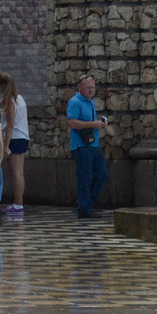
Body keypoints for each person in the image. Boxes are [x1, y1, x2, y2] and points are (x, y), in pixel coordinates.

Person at [66, 74, 108, 218]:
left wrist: (99, 124)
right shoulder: (75, 102)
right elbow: (71, 122)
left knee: (102, 174)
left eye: (93, 87)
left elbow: (88, 122)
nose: (90, 90)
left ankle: (87, 203)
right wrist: (92, 124)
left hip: (93, 144)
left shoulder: (90, 102)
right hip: (81, 146)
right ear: (80, 87)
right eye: (88, 87)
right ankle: (84, 208)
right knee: (85, 177)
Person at [0, 71, 28, 216]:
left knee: (15, 173)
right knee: (19, 172)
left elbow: (10, 125)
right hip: (23, 137)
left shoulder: (10, 102)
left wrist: (6, 145)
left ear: (2, 85)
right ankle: (18, 202)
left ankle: (18, 203)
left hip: (14, 138)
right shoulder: (19, 99)